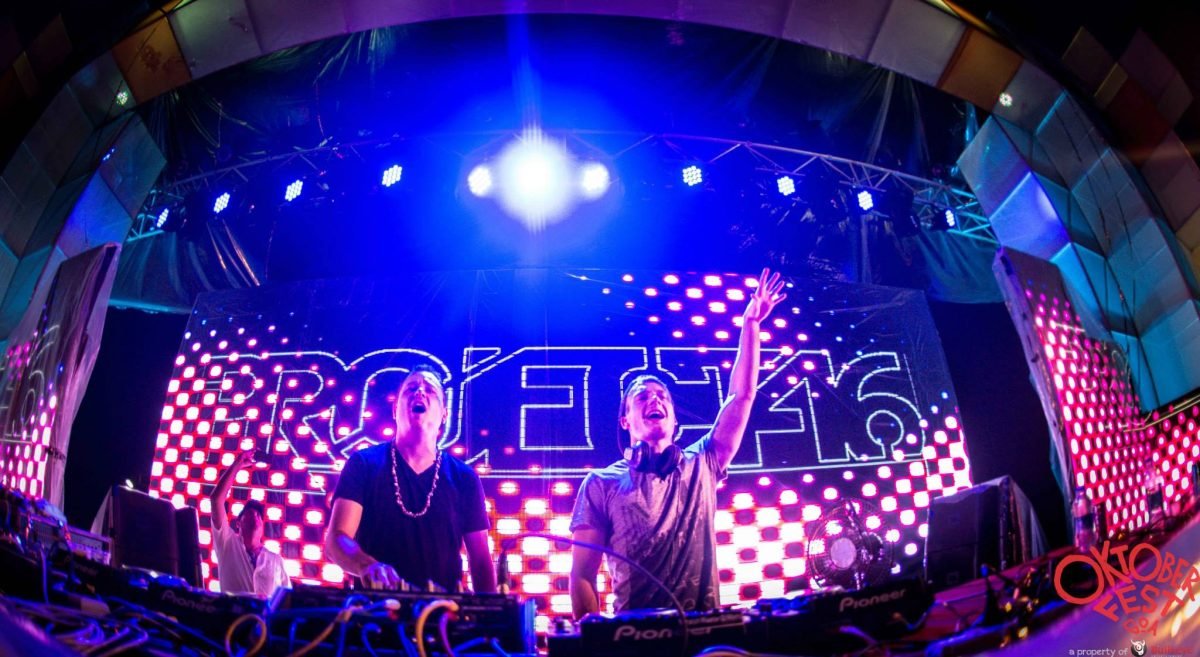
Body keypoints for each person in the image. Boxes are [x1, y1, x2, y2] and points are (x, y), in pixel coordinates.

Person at [569, 269, 786, 616]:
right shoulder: (600, 483)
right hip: (634, 636)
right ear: (625, 420)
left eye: (662, 396)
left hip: (704, 630)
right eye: (642, 396)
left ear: (674, 421)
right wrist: (596, 639)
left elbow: (742, 396)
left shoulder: (704, 463)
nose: (654, 399)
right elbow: (582, 574)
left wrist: (751, 324)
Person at [325, 365, 496, 593]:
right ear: (395, 409)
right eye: (411, 388)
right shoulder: (363, 464)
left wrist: (491, 611)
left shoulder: (464, 478)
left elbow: (481, 559)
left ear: (444, 414)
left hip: (443, 611)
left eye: (430, 390)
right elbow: (336, 539)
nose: (420, 392)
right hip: (376, 610)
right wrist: (366, 565)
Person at [209, 449, 291, 597]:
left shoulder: (275, 560)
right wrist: (238, 463)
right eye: (249, 513)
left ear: (262, 528)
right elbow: (216, 500)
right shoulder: (227, 543)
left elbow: (286, 599)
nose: (255, 515)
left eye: (259, 515)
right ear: (238, 523)